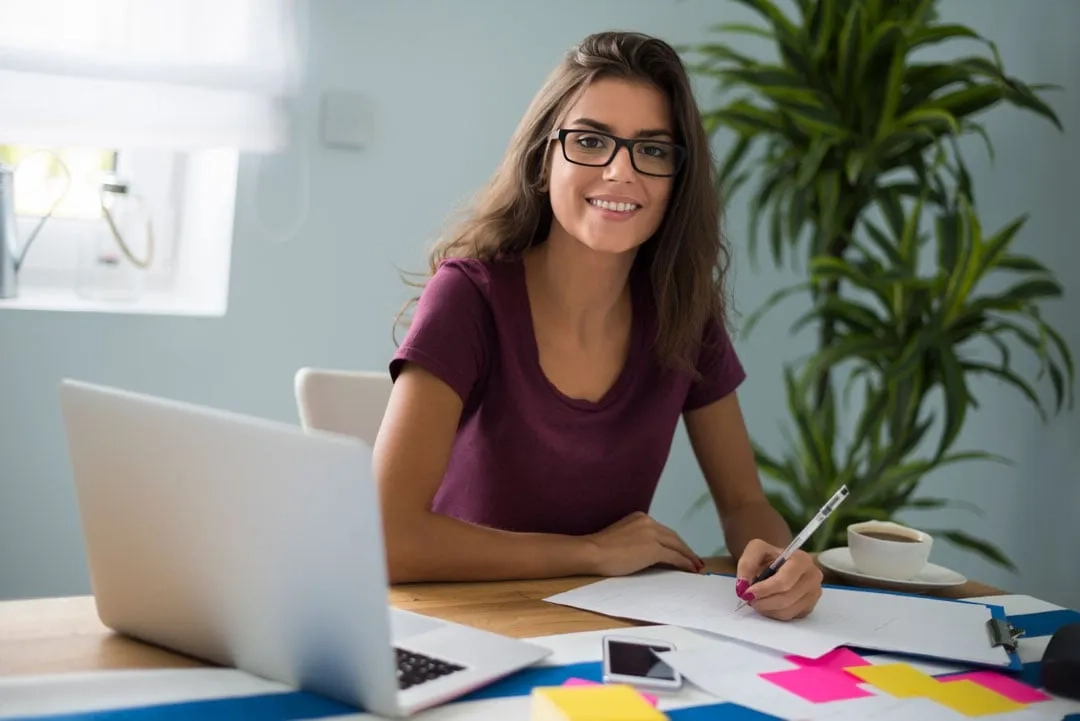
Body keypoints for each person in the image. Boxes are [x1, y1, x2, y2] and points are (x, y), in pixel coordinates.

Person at [372, 31, 823, 621]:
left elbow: (744, 504)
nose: (619, 172)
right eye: (590, 141)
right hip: (461, 623)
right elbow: (385, 537)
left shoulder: (684, 312)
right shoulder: (469, 297)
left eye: (653, 150)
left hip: (601, 630)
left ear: (676, 182)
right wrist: (589, 553)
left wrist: (782, 561)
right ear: (543, 158)